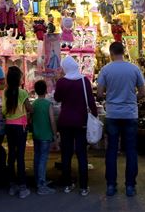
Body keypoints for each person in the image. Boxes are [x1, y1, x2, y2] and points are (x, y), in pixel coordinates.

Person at [97, 42, 145, 197]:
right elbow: (143, 92)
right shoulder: (134, 68)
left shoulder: (106, 69)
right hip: (130, 114)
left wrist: (109, 98)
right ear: (123, 52)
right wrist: (131, 99)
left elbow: (99, 93)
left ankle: (111, 186)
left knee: (111, 150)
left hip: (112, 114)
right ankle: (130, 186)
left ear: (111, 53)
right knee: (131, 150)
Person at [54, 56, 97, 197]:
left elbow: (57, 99)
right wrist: (94, 117)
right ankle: (83, 187)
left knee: (66, 154)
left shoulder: (61, 82)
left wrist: (57, 81)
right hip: (81, 122)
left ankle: (67, 184)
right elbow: (91, 101)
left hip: (65, 122)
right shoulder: (84, 81)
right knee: (81, 154)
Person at [3, 65, 32, 199]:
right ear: (18, 79)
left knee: (12, 155)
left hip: (9, 126)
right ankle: (22, 187)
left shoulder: (6, 92)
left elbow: (3, 111)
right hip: (20, 127)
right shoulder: (23, 93)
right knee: (20, 156)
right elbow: (29, 108)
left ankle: (11, 185)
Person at [32, 80, 57, 195]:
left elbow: (31, 119)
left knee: (37, 158)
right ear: (46, 90)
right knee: (43, 159)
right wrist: (55, 135)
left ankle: (38, 180)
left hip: (36, 135)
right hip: (45, 136)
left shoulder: (34, 104)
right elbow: (52, 120)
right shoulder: (48, 104)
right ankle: (41, 185)